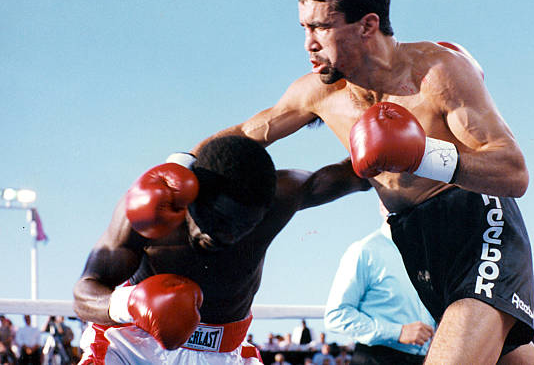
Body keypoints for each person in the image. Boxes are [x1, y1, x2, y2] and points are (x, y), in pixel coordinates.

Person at [191, 0, 534, 363]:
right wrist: (177, 168)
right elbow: (245, 136)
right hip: (418, 243)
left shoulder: (438, 73)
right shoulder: (318, 93)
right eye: (305, 27)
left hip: (478, 226)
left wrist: (421, 155)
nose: (309, 42)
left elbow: (513, 171)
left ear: (367, 25)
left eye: (321, 26)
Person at [73, 136, 370, 364]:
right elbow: (85, 292)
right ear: (193, 194)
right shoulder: (148, 214)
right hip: (132, 345)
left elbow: (362, 171)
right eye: (218, 219)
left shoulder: (285, 197)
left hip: (222, 351)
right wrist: (131, 304)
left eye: (242, 227)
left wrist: (395, 143)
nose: (226, 235)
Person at [325, 201, 435, 364]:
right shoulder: (364, 250)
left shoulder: (430, 253)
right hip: (375, 358)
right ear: (381, 206)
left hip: (426, 358)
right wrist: (398, 332)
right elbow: (337, 315)